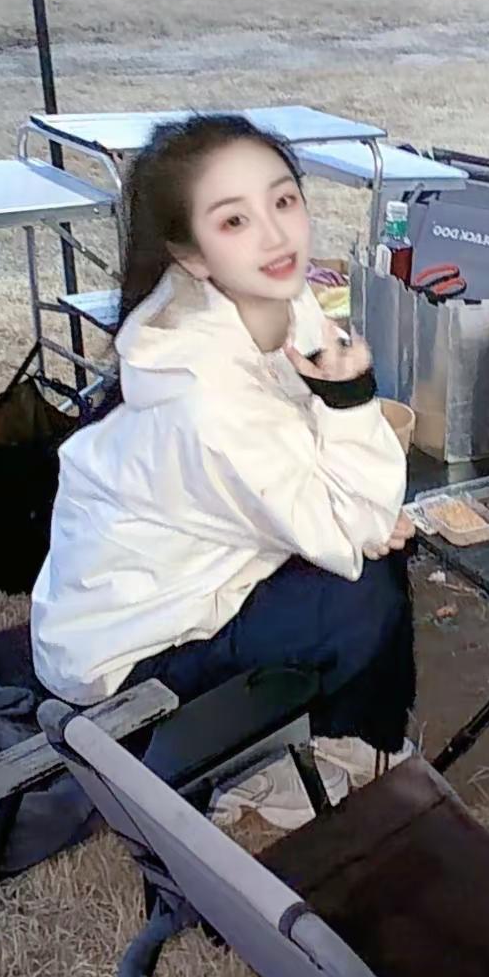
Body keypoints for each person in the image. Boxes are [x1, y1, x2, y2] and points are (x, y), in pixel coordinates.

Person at [30, 113, 416, 820]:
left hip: (186, 579)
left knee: (369, 553)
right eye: (234, 220)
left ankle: (335, 732)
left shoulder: (273, 302)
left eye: (283, 200)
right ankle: (254, 752)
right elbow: (349, 521)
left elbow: (329, 493)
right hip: (125, 659)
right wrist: (352, 404)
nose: (275, 235)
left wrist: (357, 514)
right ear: (192, 254)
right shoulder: (202, 394)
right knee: (365, 590)